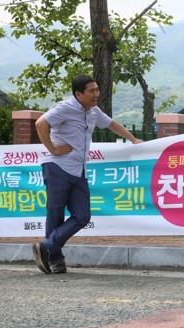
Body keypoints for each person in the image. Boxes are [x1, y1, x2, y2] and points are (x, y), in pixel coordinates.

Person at [33, 74, 143, 274]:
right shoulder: (65, 108)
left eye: (97, 89)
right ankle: (56, 260)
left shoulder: (93, 111)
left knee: (82, 216)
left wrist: (133, 139)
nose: (96, 94)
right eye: (91, 91)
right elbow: (41, 124)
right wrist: (53, 149)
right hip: (57, 167)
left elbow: (111, 124)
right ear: (79, 94)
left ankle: (47, 246)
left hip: (78, 169)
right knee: (55, 213)